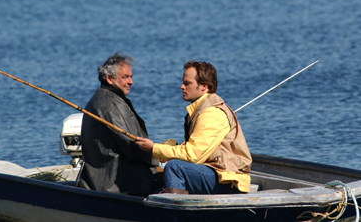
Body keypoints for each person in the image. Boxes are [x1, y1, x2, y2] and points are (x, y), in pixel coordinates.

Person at [135, 61, 252, 194]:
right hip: (214, 173)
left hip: (227, 180)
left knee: (175, 167)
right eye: (183, 82)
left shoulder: (212, 113)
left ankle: (176, 212)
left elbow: (193, 155)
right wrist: (165, 154)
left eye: (187, 83)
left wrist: (154, 148)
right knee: (152, 195)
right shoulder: (200, 110)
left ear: (204, 86)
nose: (181, 87)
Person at [79, 52, 161, 196]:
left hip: (98, 182)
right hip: (119, 186)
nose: (131, 82)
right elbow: (133, 147)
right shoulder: (112, 104)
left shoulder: (98, 99)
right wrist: (161, 156)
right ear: (110, 79)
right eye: (125, 77)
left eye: (131, 77)